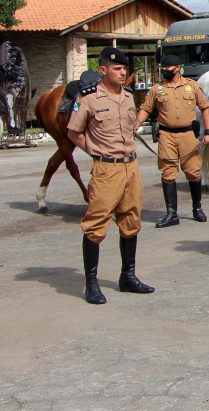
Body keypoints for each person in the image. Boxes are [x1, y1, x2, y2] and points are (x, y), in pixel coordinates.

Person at [67, 46, 154, 304]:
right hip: (106, 169)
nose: (122, 72)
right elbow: (73, 132)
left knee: (131, 221)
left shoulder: (128, 96)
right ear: (103, 70)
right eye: (117, 68)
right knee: (96, 225)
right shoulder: (88, 98)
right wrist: (94, 151)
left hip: (131, 167)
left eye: (124, 68)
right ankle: (91, 283)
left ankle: (128, 276)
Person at [134, 54, 209, 228]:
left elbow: (205, 108)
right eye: (162, 67)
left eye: (167, 68)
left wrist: (208, 132)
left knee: (193, 172)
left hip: (187, 135)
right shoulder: (157, 88)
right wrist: (136, 125)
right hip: (166, 135)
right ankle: (171, 213)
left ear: (177, 68)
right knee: (168, 173)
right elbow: (145, 109)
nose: (164, 71)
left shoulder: (192, 86)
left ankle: (197, 208)